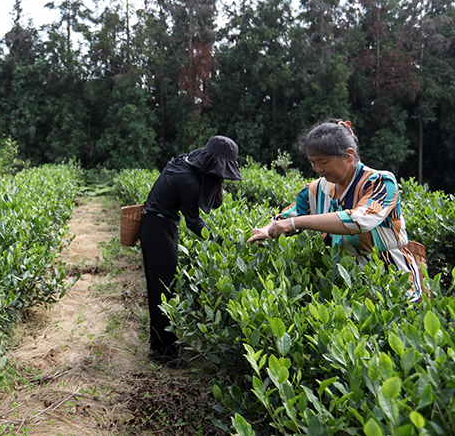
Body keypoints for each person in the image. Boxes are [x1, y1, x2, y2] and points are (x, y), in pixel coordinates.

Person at [247, 119, 422, 302]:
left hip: (393, 281)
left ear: (348, 155)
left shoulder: (380, 182)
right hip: (346, 285)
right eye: (312, 162)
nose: (317, 169)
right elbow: (289, 215)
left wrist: (293, 223)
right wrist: (267, 230)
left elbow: (359, 220)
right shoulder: (316, 190)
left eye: (323, 162)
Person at [139, 136, 242, 365]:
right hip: (158, 229)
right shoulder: (188, 181)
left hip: (160, 225)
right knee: (163, 290)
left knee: (165, 287)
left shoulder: (186, 162)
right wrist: (223, 242)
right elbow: (194, 223)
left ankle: (164, 346)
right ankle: (162, 353)